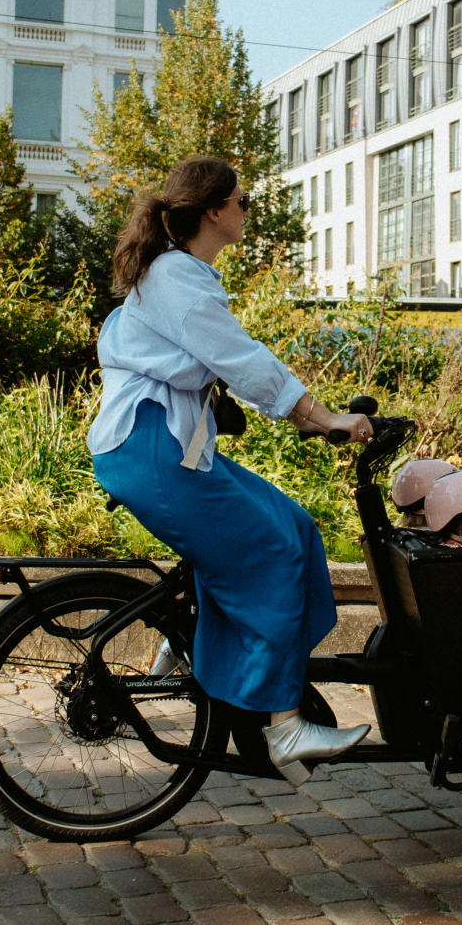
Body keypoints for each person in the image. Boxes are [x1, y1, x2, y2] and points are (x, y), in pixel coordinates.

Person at [88, 155, 373, 783]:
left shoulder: (179, 274)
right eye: (241, 201)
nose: (247, 210)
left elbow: (211, 363)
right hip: (152, 448)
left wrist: (291, 414)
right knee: (270, 551)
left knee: (294, 527)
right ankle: (284, 726)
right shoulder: (175, 278)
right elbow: (240, 356)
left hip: (168, 445)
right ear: (214, 209)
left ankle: (208, 653)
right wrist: (318, 415)